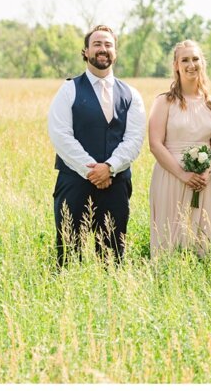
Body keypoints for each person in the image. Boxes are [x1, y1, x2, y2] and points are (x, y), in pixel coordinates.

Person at [48, 24, 145, 265]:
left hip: (116, 184)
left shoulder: (131, 94)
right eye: (97, 44)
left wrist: (110, 167)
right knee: (69, 255)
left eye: (108, 45)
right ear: (86, 51)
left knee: (113, 258)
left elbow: (134, 138)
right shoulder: (68, 89)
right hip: (74, 183)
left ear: (115, 52)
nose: (103, 49)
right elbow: (60, 135)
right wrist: (92, 171)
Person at [148, 40, 211, 257]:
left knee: (206, 237)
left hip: (204, 180)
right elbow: (155, 143)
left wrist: (207, 173)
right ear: (175, 65)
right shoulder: (164, 102)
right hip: (171, 176)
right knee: (170, 236)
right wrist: (183, 174)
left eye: (195, 59)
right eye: (185, 60)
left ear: (202, 63)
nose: (191, 64)